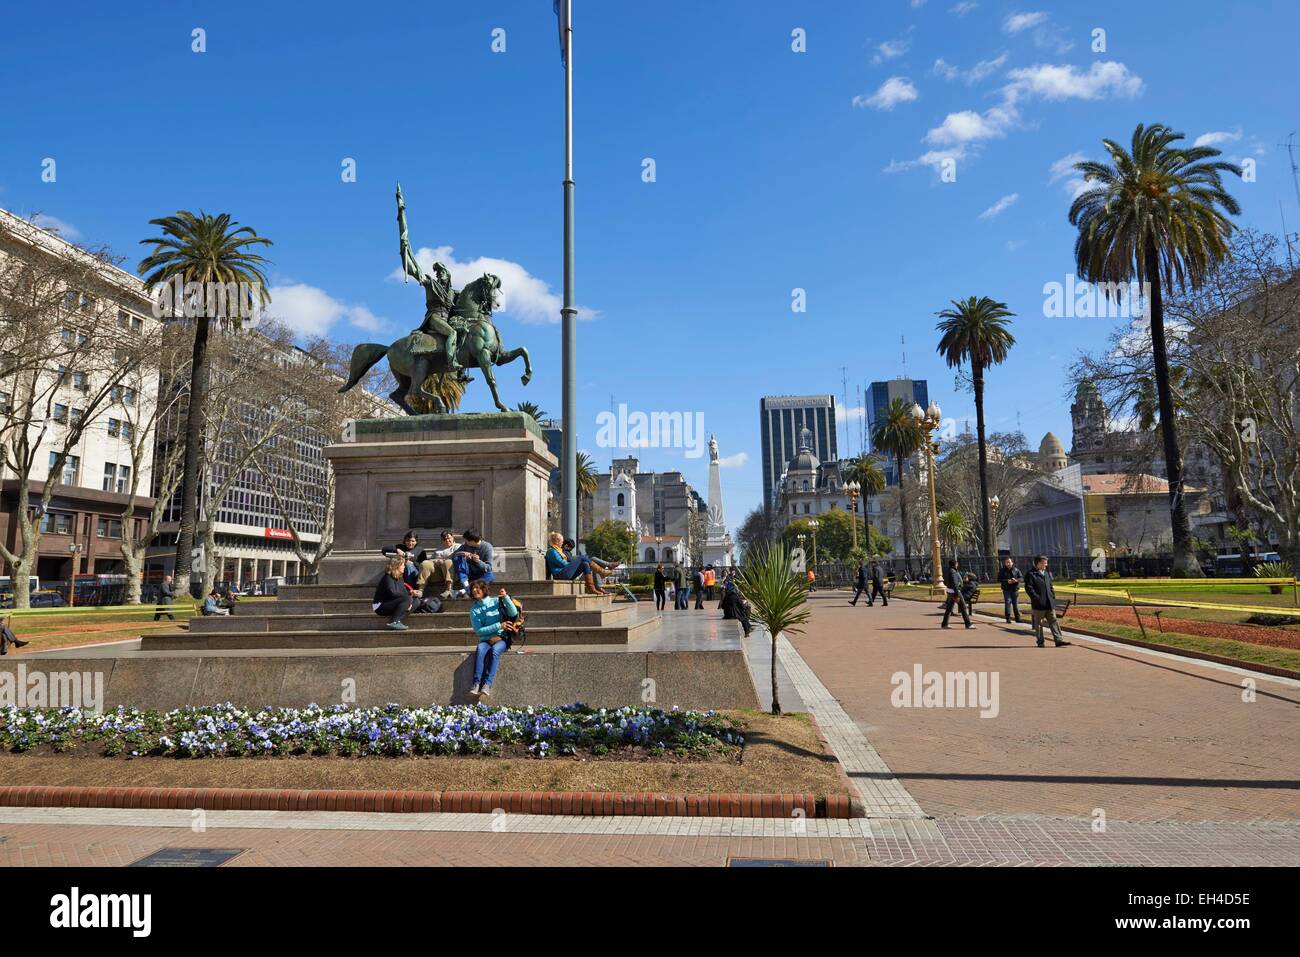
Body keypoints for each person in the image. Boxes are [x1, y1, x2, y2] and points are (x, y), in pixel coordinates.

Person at [468, 581, 520, 696]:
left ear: (484, 589)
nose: (475, 590)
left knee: (495, 651)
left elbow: (513, 613)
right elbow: (479, 631)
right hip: (486, 640)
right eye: (473, 589)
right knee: (480, 650)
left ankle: (487, 685)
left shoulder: (496, 601)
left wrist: (505, 597)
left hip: (502, 638)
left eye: (477, 588)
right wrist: (498, 626)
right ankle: (476, 684)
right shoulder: (474, 610)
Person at [1025, 555, 1070, 648]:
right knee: (1039, 624)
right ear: (1038, 563)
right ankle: (1040, 642)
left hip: (1049, 603)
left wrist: (1052, 597)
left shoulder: (1046, 573)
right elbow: (1029, 588)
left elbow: (1050, 586)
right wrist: (1036, 598)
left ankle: (1059, 640)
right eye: (1044, 563)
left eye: (1046, 563)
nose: (1046, 565)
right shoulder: (1030, 574)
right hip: (1038, 604)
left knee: (1054, 621)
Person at [372, 557, 413, 630]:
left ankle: (398, 620)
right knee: (407, 598)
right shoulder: (388, 577)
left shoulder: (400, 577)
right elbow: (392, 593)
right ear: (396, 566)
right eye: (402, 565)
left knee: (416, 601)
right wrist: (408, 599)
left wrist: (411, 597)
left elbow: (404, 593)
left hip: (392, 603)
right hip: (380, 606)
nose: (404, 566)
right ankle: (393, 621)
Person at [940, 558, 972, 629]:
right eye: (957, 563)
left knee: (949, 609)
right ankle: (968, 624)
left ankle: (944, 624)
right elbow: (954, 583)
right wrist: (957, 594)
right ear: (955, 564)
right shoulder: (953, 571)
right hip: (955, 591)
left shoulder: (949, 571)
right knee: (963, 607)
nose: (958, 565)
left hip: (951, 591)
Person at [720, 571, 752, 636]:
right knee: (745, 612)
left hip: (728, 613)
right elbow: (741, 605)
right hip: (733, 613)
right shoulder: (735, 596)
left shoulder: (726, 596)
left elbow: (722, 606)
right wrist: (744, 603)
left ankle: (748, 628)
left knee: (743, 612)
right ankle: (747, 630)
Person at [997, 556, 1024, 624]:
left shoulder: (1016, 570)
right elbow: (999, 579)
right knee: (1008, 602)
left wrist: (1016, 580)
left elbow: (1021, 578)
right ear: (1005, 563)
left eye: (1009, 562)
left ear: (1012, 563)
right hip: (1006, 590)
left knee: (1015, 604)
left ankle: (1017, 618)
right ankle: (1008, 618)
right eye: (1007, 562)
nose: (1008, 563)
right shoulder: (1002, 570)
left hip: (1015, 589)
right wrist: (1006, 581)